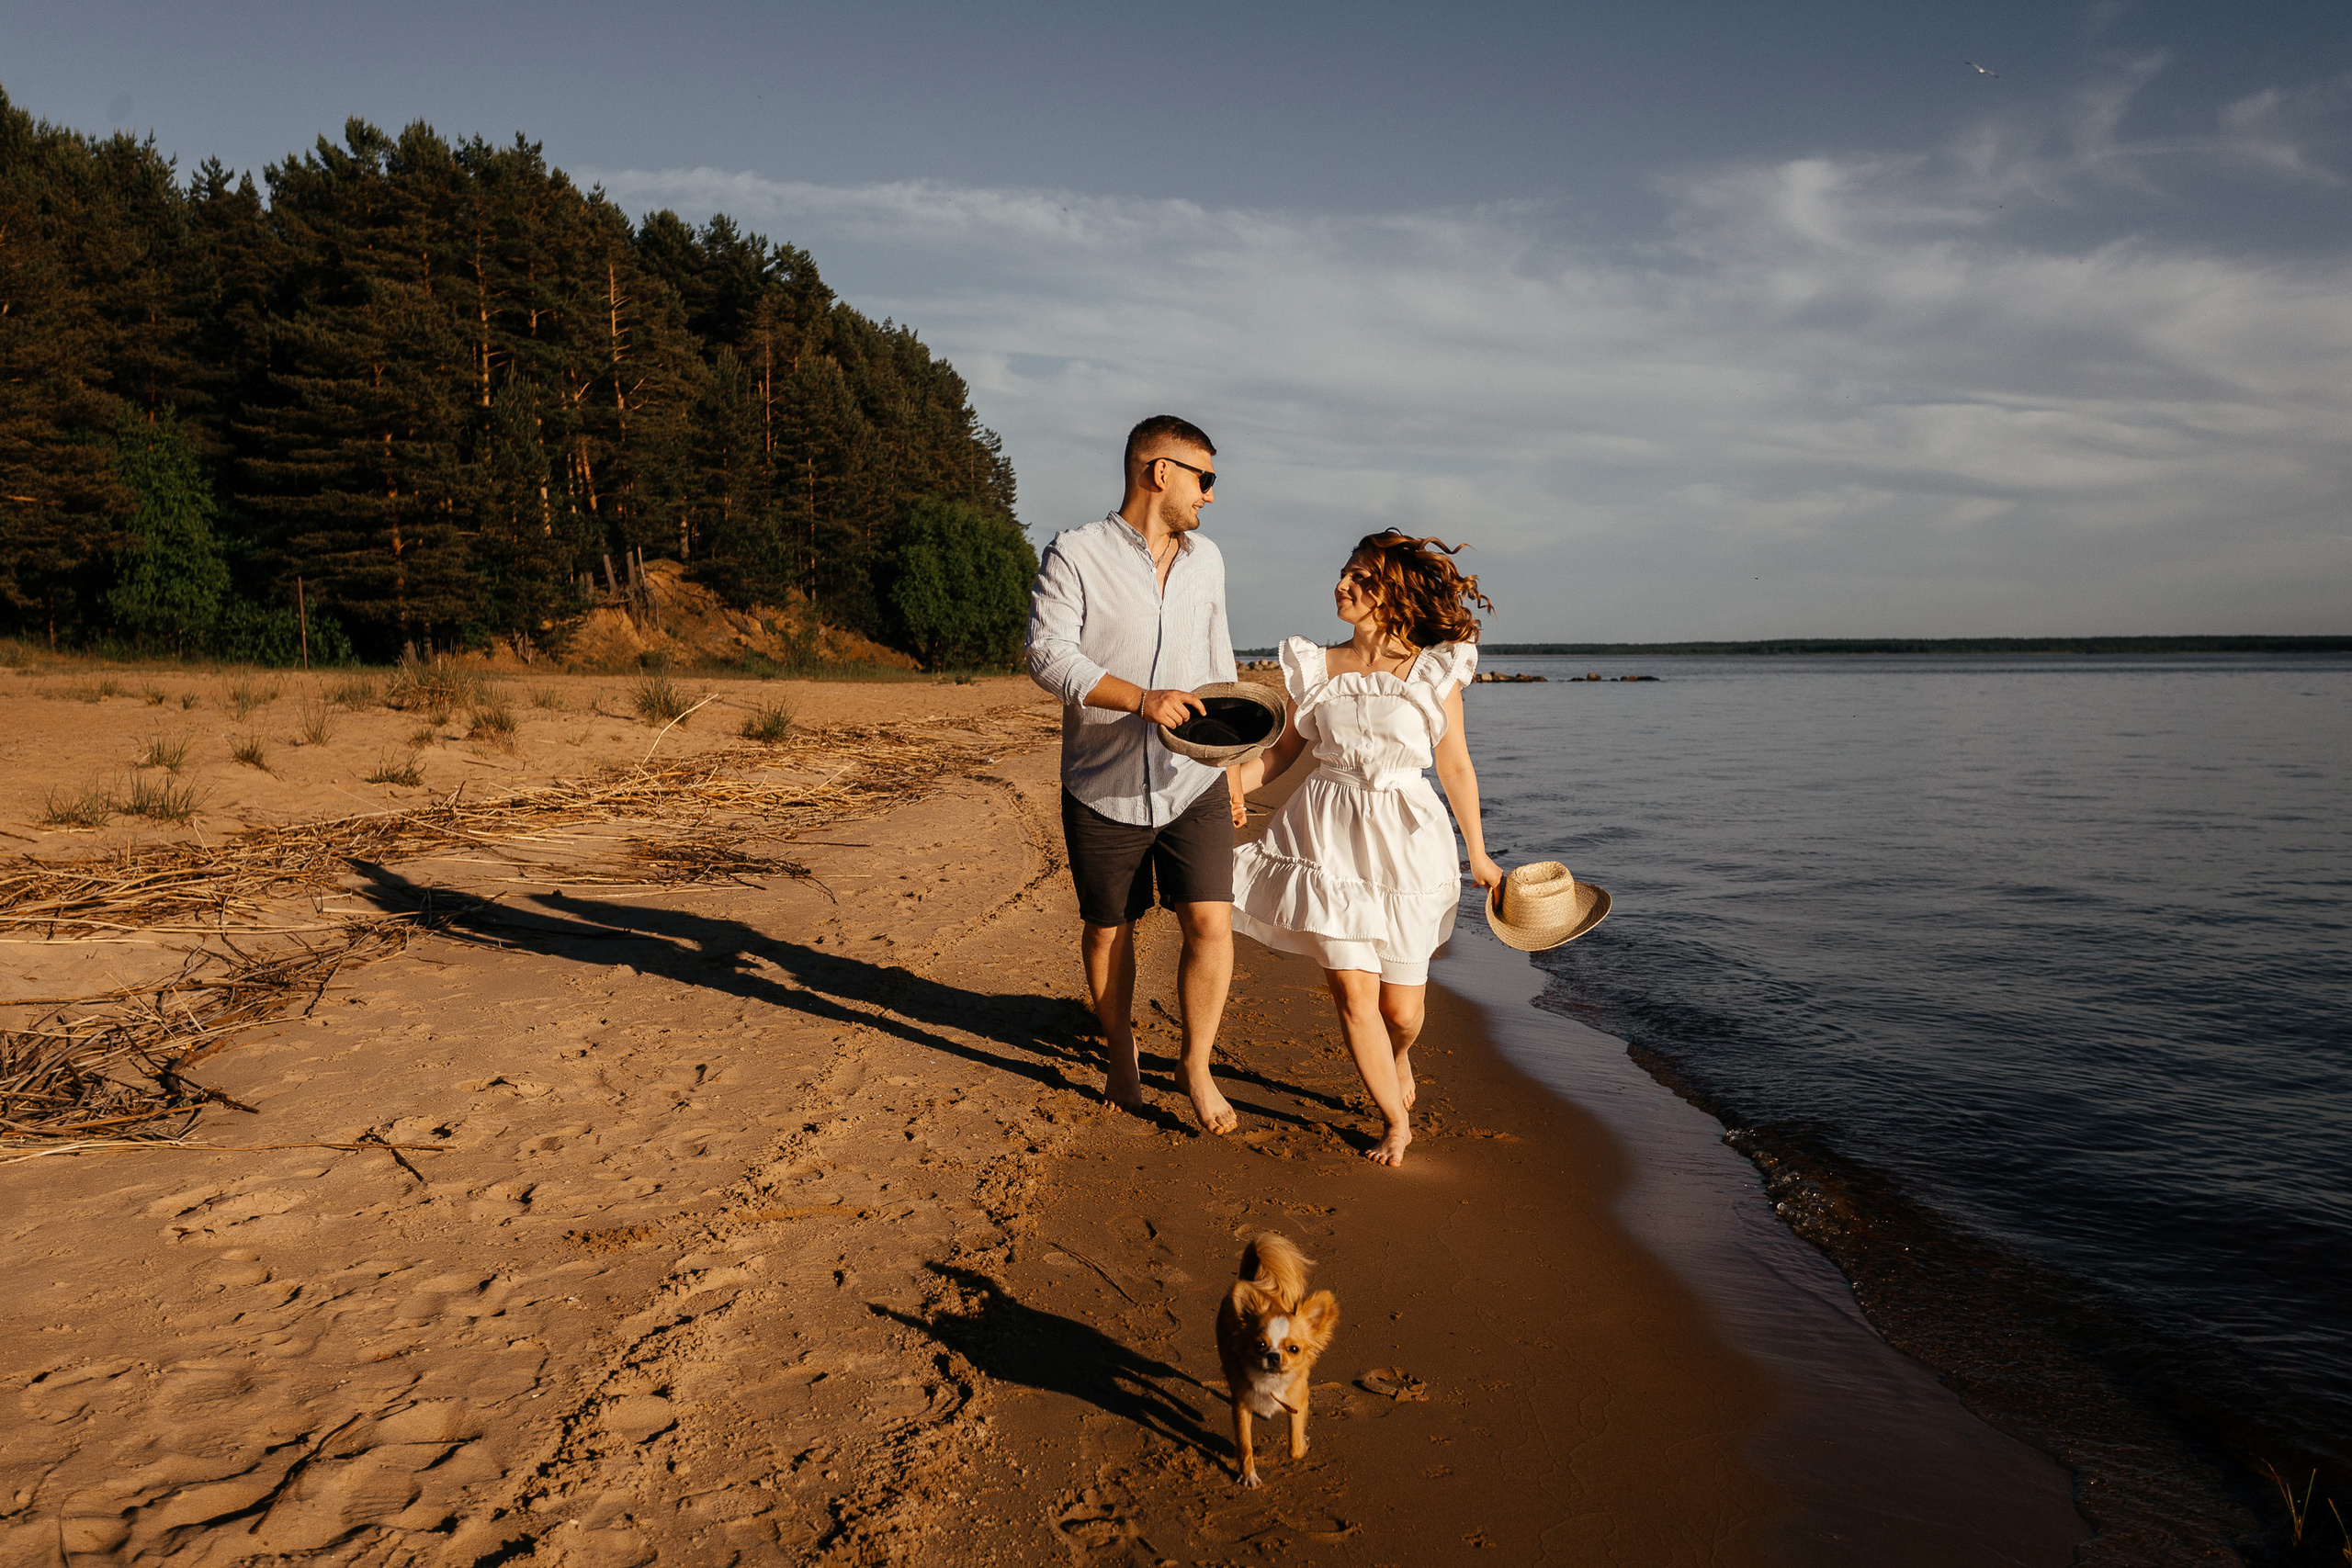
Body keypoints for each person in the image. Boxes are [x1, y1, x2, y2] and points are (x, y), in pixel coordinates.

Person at [1225, 532, 1504, 1167]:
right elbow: (1281, 755)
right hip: (1326, 838)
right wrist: (1230, 784)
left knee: (1400, 1011)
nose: (1342, 584)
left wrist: (1480, 853)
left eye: (1360, 577)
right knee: (1354, 994)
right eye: (1344, 572)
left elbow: (1455, 766)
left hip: (1407, 843)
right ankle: (1395, 1122)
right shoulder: (1314, 667)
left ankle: (1397, 1054)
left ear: (1393, 591)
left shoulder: (1432, 670)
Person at [1026, 415, 1241, 1134]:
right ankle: (1121, 1048)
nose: (1210, 494)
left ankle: (1195, 1065)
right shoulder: (1075, 553)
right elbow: (1048, 655)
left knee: (1210, 923)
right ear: (1160, 472)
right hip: (1102, 783)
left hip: (1193, 780)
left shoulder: (1208, 561)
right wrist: (1141, 700)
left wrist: (1233, 767)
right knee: (1107, 931)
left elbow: (1218, 665)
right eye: (1204, 477)